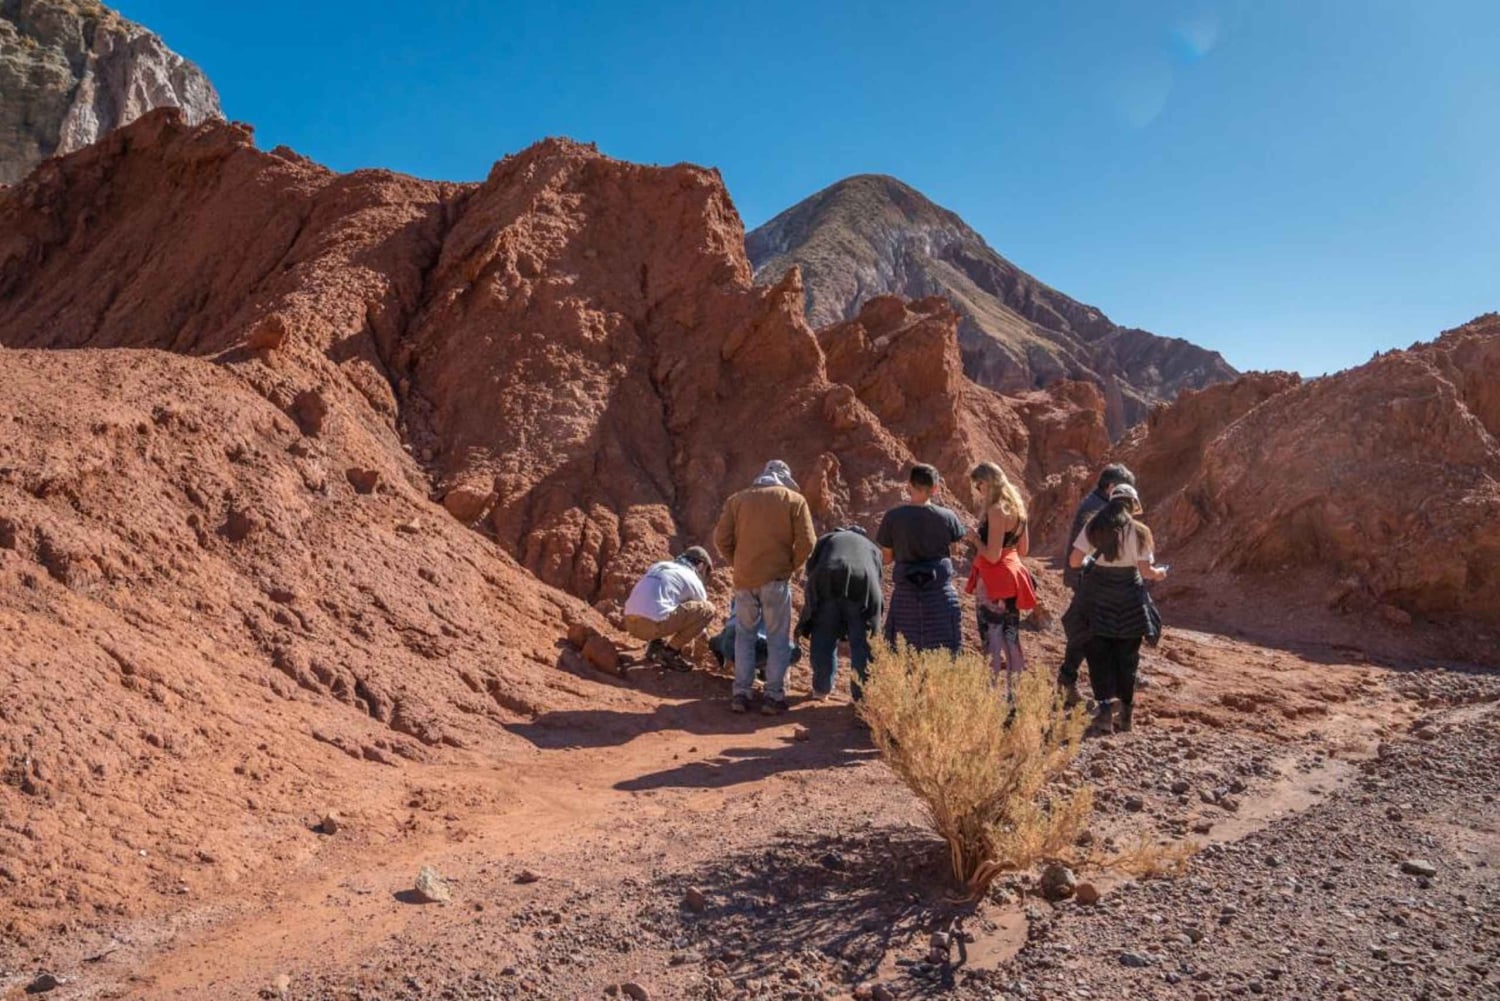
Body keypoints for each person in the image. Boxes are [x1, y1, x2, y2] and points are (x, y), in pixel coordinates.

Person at [714, 460, 816, 715]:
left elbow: (720, 540)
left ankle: (741, 694)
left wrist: (738, 563)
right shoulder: (793, 500)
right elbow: (808, 541)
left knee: (744, 636)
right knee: (777, 639)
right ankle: (773, 696)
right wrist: (791, 566)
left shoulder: (737, 500)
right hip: (776, 580)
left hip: (744, 580)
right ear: (784, 478)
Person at [1068, 483, 1165, 735]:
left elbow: (1074, 561)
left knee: (1098, 655)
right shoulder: (1141, 531)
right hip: (1130, 600)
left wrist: (1093, 560)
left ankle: (1103, 713)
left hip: (1097, 599)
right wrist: (1160, 573)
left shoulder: (1094, 526)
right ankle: (1126, 716)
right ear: (1133, 505)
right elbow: (1146, 572)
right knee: (1127, 658)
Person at [1057, 464, 1137, 705]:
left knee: (1088, 632)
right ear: (1111, 487)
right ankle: (1070, 682)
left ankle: (1071, 681)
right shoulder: (1096, 510)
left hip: (1091, 581)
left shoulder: (1097, 505)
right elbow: (1085, 552)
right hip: (1090, 582)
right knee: (1088, 633)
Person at [876, 463, 967, 654]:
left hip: (905, 596)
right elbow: (956, 550)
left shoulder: (893, 517)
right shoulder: (948, 517)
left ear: (909, 485)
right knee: (944, 652)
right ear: (935, 488)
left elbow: (886, 558)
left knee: (901, 653)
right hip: (940, 595)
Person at [964, 462, 1036, 698]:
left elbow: (993, 555)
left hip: (994, 581)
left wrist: (975, 539)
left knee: (992, 640)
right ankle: (1013, 698)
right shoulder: (1018, 508)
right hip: (1015, 576)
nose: (978, 490)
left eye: (979, 485)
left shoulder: (997, 510)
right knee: (1011, 639)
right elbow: (1023, 549)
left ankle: (990, 699)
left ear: (988, 482)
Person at [796, 525, 883, 701]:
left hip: (828, 579)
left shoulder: (828, 538)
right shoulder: (872, 547)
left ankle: (821, 689)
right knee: (861, 643)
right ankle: (862, 698)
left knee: (823, 636)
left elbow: (811, 567)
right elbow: (877, 576)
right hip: (863, 586)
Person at [622, 547, 715, 671]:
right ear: (701, 565)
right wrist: (707, 650)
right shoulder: (693, 580)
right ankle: (670, 652)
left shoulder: (659, 565)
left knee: (664, 602)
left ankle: (655, 646)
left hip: (629, 623)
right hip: (653, 626)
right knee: (708, 609)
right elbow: (700, 623)